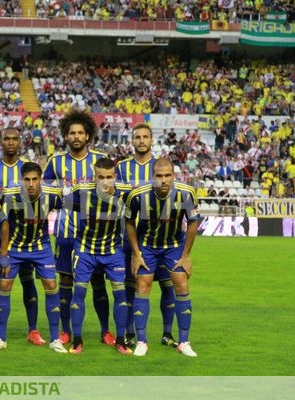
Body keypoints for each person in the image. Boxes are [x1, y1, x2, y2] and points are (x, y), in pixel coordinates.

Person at [43, 109, 111, 346]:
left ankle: (105, 330)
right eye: (72, 133)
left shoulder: (100, 160)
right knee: (66, 283)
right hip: (65, 233)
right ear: (65, 135)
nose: (76, 137)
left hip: (96, 236)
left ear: (88, 135)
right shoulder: (55, 162)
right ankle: (65, 330)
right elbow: (46, 194)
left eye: (81, 132)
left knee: (98, 282)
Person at [0, 162, 67, 353]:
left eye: (35, 179)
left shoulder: (52, 195)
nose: (31, 184)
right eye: (27, 180)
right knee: (4, 285)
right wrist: (4, 253)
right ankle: (1, 338)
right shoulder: (10, 195)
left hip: (41, 247)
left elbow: (73, 206)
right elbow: (4, 223)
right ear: (22, 180)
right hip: (15, 247)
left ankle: (55, 338)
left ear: (40, 179)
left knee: (51, 285)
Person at [125, 157, 200, 357]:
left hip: (174, 245)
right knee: (142, 286)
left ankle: (184, 341)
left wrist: (186, 255)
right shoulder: (138, 195)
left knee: (182, 285)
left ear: (174, 176)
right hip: (147, 246)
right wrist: (135, 253)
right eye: (159, 176)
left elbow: (193, 222)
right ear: (153, 177)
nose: (163, 180)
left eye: (168, 176)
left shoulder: (186, 193)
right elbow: (129, 222)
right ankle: (141, 341)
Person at [115, 123, 177, 348]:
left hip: (163, 238)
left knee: (168, 285)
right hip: (132, 237)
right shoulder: (121, 168)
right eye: (137, 137)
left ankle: (167, 333)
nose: (141, 140)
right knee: (132, 287)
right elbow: (118, 199)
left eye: (145, 137)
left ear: (152, 140)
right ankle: (131, 332)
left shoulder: (161, 166)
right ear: (132, 141)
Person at [0, 127, 44, 346]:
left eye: (14, 139)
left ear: (20, 142)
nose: (10, 142)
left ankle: (33, 329)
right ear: (0, 141)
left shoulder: (27, 168)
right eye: (6, 138)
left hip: (25, 237)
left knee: (28, 281)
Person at [68, 158, 133, 355]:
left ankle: (120, 341)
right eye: (100, 178)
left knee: (120, 295)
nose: (105, 182)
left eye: (109, 177)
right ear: (94, 177)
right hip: (85, 250)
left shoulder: (126, 194)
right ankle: (77, 340)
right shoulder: (81, 192)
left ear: (115, 177)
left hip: (113, 251)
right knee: (78, 293)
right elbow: (54, 199)